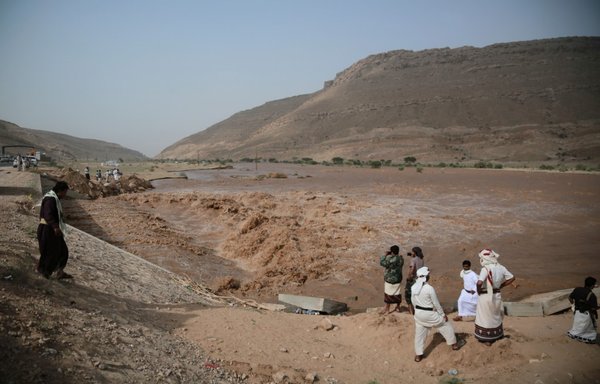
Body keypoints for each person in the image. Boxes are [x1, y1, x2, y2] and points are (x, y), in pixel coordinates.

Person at [411, 266, 462, 362]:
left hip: (418, 314)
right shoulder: (429, 288)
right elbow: (436, 304)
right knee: (445, 324)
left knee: (419, 334)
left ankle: (418, 355)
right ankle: (453, 344)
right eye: (428, 275)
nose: (429, 276)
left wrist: (416, 311)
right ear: (426, 277)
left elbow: (413, 301)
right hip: (429, 314)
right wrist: (443, 315)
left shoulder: (413, 287)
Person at [474, 248, 515, 345]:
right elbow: (512, 278)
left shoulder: (485, 269)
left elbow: (479, 282)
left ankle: (487, 339)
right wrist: (502, 285)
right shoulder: (501, 267)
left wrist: (478, 291)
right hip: (497, 294)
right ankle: (497, 335)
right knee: (495, 315)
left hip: (486, 295)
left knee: (485, 317)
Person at [36, 181, 72, 279]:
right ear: (60, 191)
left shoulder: (54, 198)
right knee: (49, 252)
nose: (65, 195)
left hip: (52, 228)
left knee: (63, 251)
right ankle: (44, 273)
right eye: (65, 192)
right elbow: (48, 214)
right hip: (48, 229)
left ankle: (59, 272)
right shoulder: (50, 199)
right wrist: (55, 227)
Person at [567, 277, 598, 344]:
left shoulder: (577, 289)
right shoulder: (592, 295)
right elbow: (593, 308)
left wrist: (573, 305)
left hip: (577, 313)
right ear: (592, 286)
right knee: (589, 330)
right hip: (586, 315)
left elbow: (570, 297)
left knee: (577, 327)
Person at [379, 245, 404, 314]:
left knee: (388, 294)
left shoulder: (389, 259)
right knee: (397, 293)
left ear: (392, 252)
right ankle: (398, 307)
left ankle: (387, 309)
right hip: (398, 278)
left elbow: (382, 262)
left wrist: (385, 255)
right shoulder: (401, 259)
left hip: (389, 279)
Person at [405, 246, 425, 315]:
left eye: (412, 252)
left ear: (415, 253)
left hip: (413, 279)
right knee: (417, 295)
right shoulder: (421, 259)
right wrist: (411, 256)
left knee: (408, 295)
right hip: (419, 279)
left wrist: (409, 277)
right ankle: (417, 310)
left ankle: (411, 312)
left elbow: (412, 268)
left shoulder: (413, 260)